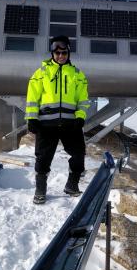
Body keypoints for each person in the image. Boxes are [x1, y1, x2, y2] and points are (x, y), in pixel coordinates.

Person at [25, 35, 90, 204]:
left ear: (69, 52)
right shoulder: (41, 73)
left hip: (71, 124)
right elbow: (32, 98)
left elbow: (83, 100)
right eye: (57, 53)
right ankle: (40, 190)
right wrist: (32, 118)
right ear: (52, 53)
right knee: (43, 158)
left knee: (78, 154)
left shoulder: (77, 74)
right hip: (46, 125)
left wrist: (80, 117)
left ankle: (72, 185)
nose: (61, 56)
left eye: (64, 52)